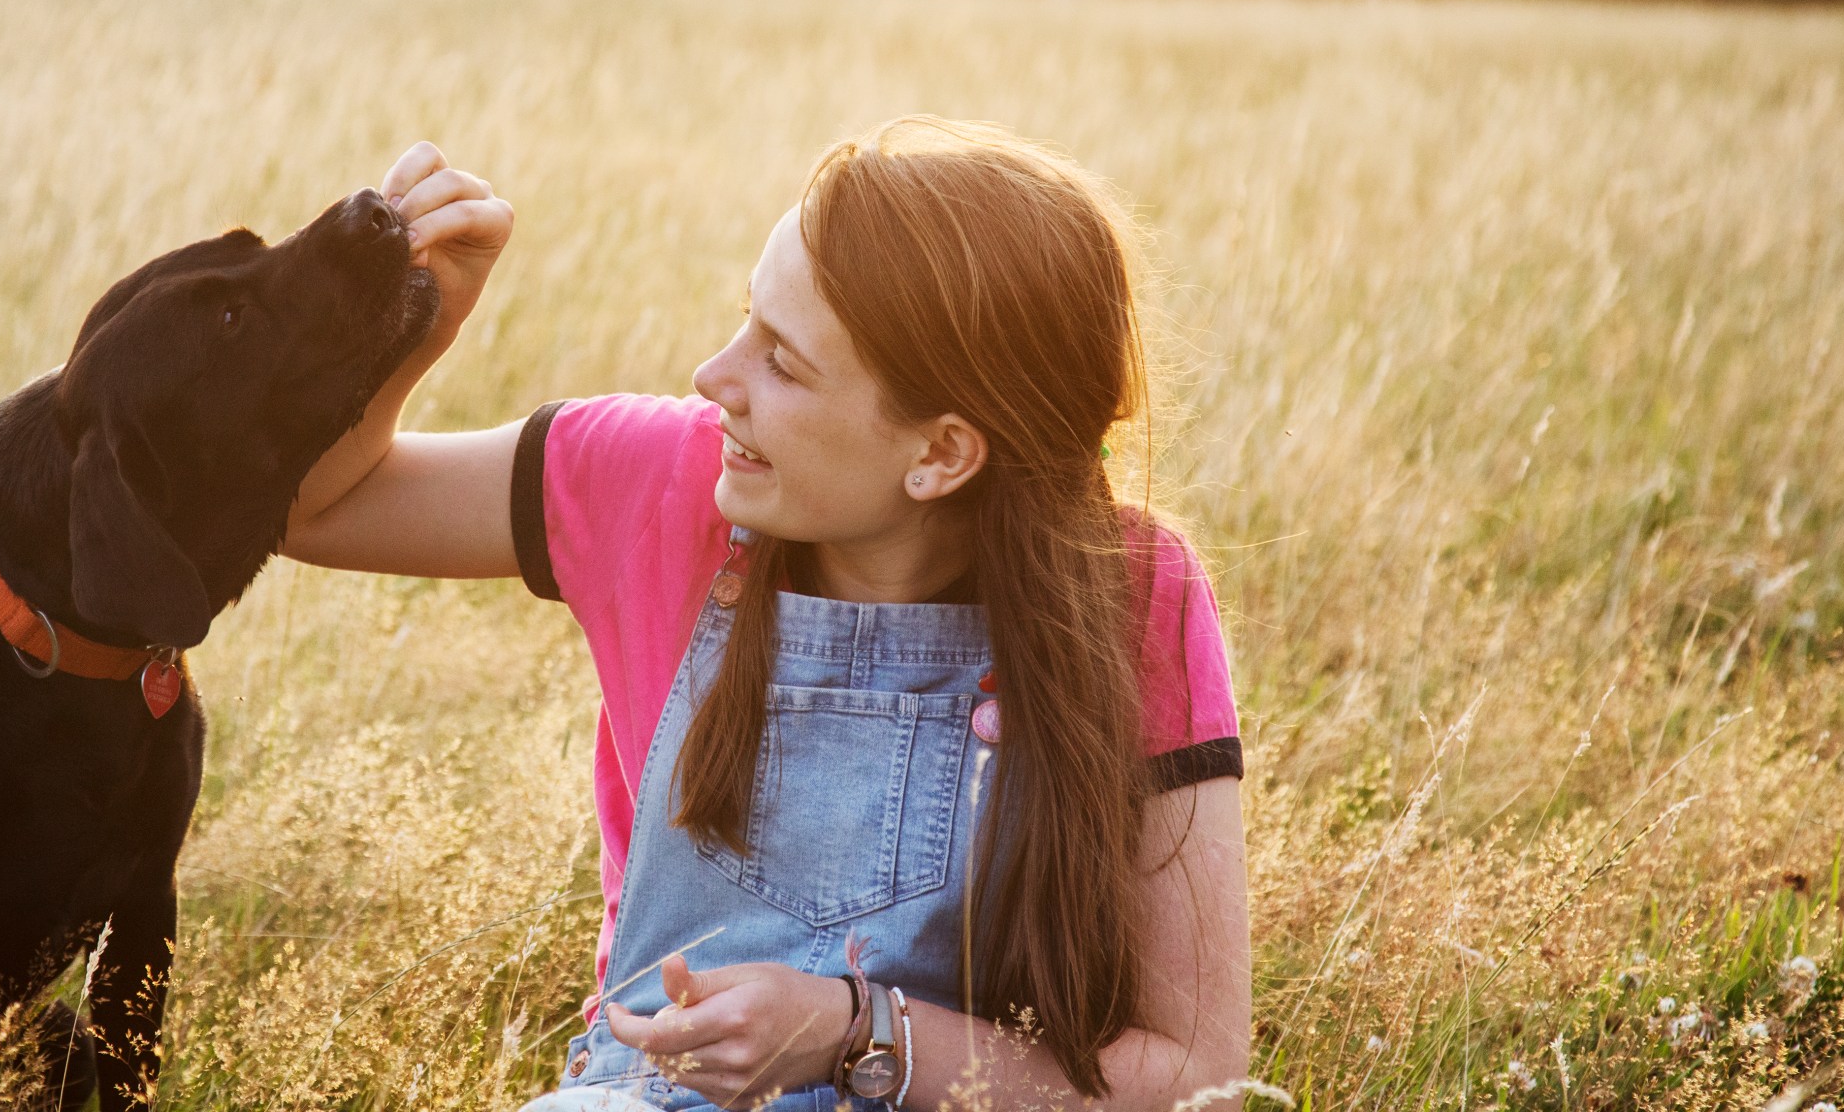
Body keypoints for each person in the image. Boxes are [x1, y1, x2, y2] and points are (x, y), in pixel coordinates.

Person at [281, 116, 1252, 1111]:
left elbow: (1198, 1077)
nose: (715, 377)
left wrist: (853, 1031)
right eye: (747, 318)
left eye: (782, 361)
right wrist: (410, 324)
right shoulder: (654, 478)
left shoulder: (1131, 591)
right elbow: (304, 506)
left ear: (940, 454)